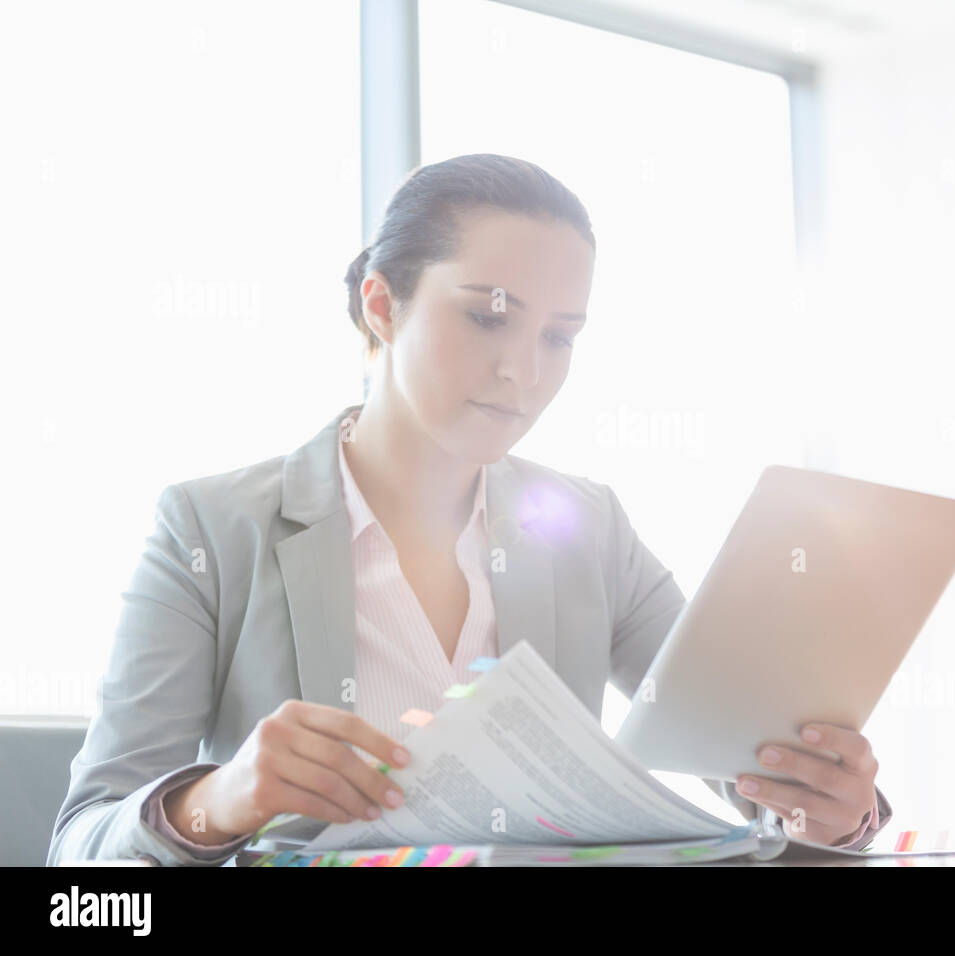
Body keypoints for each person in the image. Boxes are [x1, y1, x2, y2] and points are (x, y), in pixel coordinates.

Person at [47, 154, 890, 866]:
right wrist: (217, 801)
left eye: (559, 337)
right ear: (382, 306)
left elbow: (753, 777)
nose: (524, 373)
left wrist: (834, 809)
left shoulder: (589, 528)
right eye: (489, 316)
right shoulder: (210, 527)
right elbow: (78, 861)